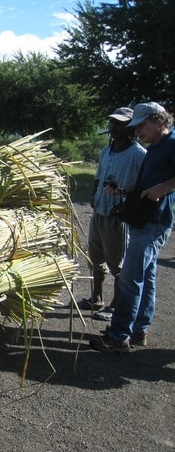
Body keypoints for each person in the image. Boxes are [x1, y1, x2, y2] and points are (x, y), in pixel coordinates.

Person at [90, 102, 175, 352]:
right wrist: (124, 191)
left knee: (129, 277)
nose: (137, 132)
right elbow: (147, 183)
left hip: (154, 221)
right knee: (146, 278)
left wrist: (164, 188)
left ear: (159, 120)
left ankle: (118, 336)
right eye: (135, 127)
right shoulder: (157, 147)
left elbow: (161, 185)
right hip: (143, 219)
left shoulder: (171, 143)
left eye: (141, 126)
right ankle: (139, 330)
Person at [77, 107, 146, 321]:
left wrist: (126, 201)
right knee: (95, 257)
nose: (115, 127)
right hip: (100, 211)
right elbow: (98, 176)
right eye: (113, 123)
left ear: (131, 128)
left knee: (118, 262)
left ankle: (116, 305)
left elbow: (143, 185)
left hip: (119, 215)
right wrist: (94, 194)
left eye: (121, 123)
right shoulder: (106, 151)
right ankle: (96, 297)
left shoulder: (138, 154)